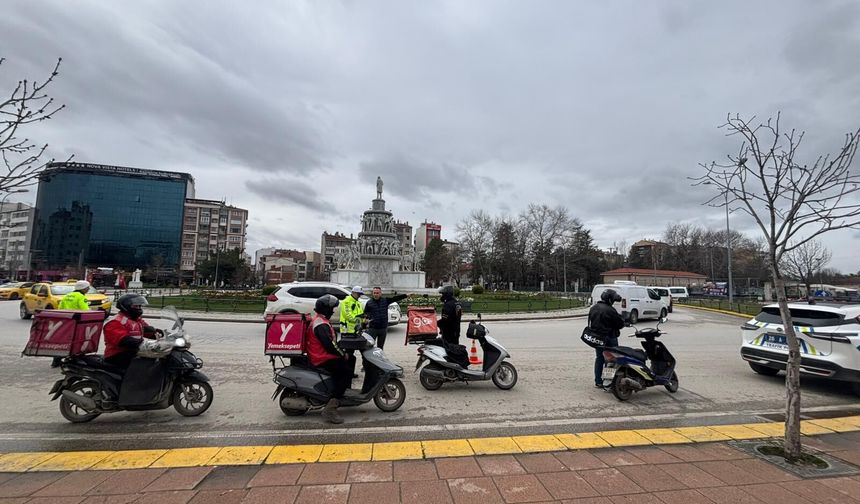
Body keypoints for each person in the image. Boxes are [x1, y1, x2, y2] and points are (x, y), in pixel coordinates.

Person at [307, 294, 354, 424]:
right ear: (325, 309)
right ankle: (331, 408)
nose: (333, 311)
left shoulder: (321, 320)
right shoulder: (320, 324)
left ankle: (342, 391)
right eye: (331, 308)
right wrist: (341, 354)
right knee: (347, 371)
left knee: (351, 359)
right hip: (322, 357)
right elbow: (329, 345)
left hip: (322, 354)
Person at [103, 293, 167, 369]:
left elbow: (148, 332)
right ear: (126, 306)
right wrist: (147, 344)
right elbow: (123, 340)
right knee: (144, 363)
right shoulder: (115, 322)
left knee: (159, 358)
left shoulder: (136, 320)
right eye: (136, 306)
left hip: (133, 350)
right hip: (117, 354)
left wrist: (162, 334)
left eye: (140, 306)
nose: (139, 308)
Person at [588, 289, 626, 388]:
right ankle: (609, 381)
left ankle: (598, 381)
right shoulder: (610, 310)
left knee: (600, 358)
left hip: (597, 338)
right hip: (609, 337)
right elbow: (619, 324)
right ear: (610, 300)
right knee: (612, 358)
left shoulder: (594, 307)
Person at [339, 286, 365, 377]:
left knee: (351, 354)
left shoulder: (358, 302)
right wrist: (359, 319)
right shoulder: (346, 302)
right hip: (347, 331)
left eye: (360, 294)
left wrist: (364, 321)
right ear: (353, 293)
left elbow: (360, 315)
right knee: (347, 353)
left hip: (355, 331)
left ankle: (349, 372)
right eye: (358, 294)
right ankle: (346, 373)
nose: (359, 296)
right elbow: (348, 316)